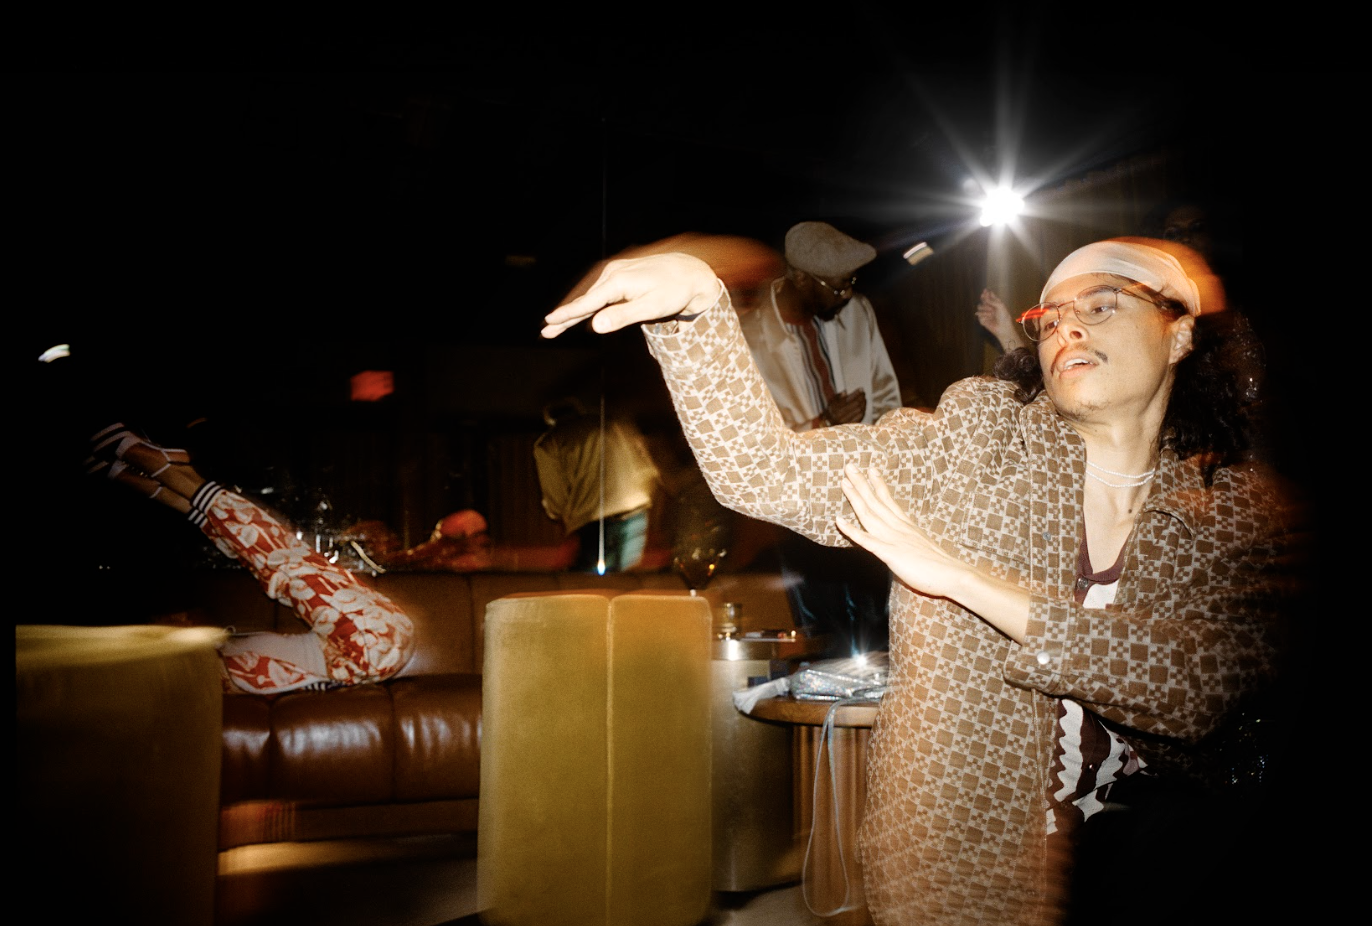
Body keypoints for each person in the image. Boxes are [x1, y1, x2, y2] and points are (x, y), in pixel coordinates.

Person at [541, 238, 1295, 926]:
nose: (1067, 326)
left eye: (1101, 306)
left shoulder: (1237, 508)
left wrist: (964, 580)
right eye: (1049, 318)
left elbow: (1200, 687)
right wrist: (700, 311)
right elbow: (764, 471)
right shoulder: (969, 450)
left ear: (1180, 332)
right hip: (967, 865)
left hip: (1168, 865)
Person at [88, 424, 416, 694]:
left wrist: (125, 477)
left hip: (367, 644)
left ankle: (143, 471)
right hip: (371, 644)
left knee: (263, 555)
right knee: (279, 559)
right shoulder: (204, 667)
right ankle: (159, 465)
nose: (177, 618)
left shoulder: (206, 658)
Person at [740, 221, 901, 654]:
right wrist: (823, 423)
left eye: (852, 282)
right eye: (837, 285)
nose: (847, 293)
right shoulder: (751, 337)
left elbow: (887, 395)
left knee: (879, 631)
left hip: (867, 502)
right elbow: (755, 439)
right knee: (823, 638)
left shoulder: (857, 313)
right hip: (801, 512)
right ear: (799, 278)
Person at [533, 398, 660, 573]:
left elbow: (554, 491)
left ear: (549, 419)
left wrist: (559, 514)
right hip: (636, 512)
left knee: (590, 582)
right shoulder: (614, 426)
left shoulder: (549, 443)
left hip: (594, 520)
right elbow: (646, 467)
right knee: (625, 578)